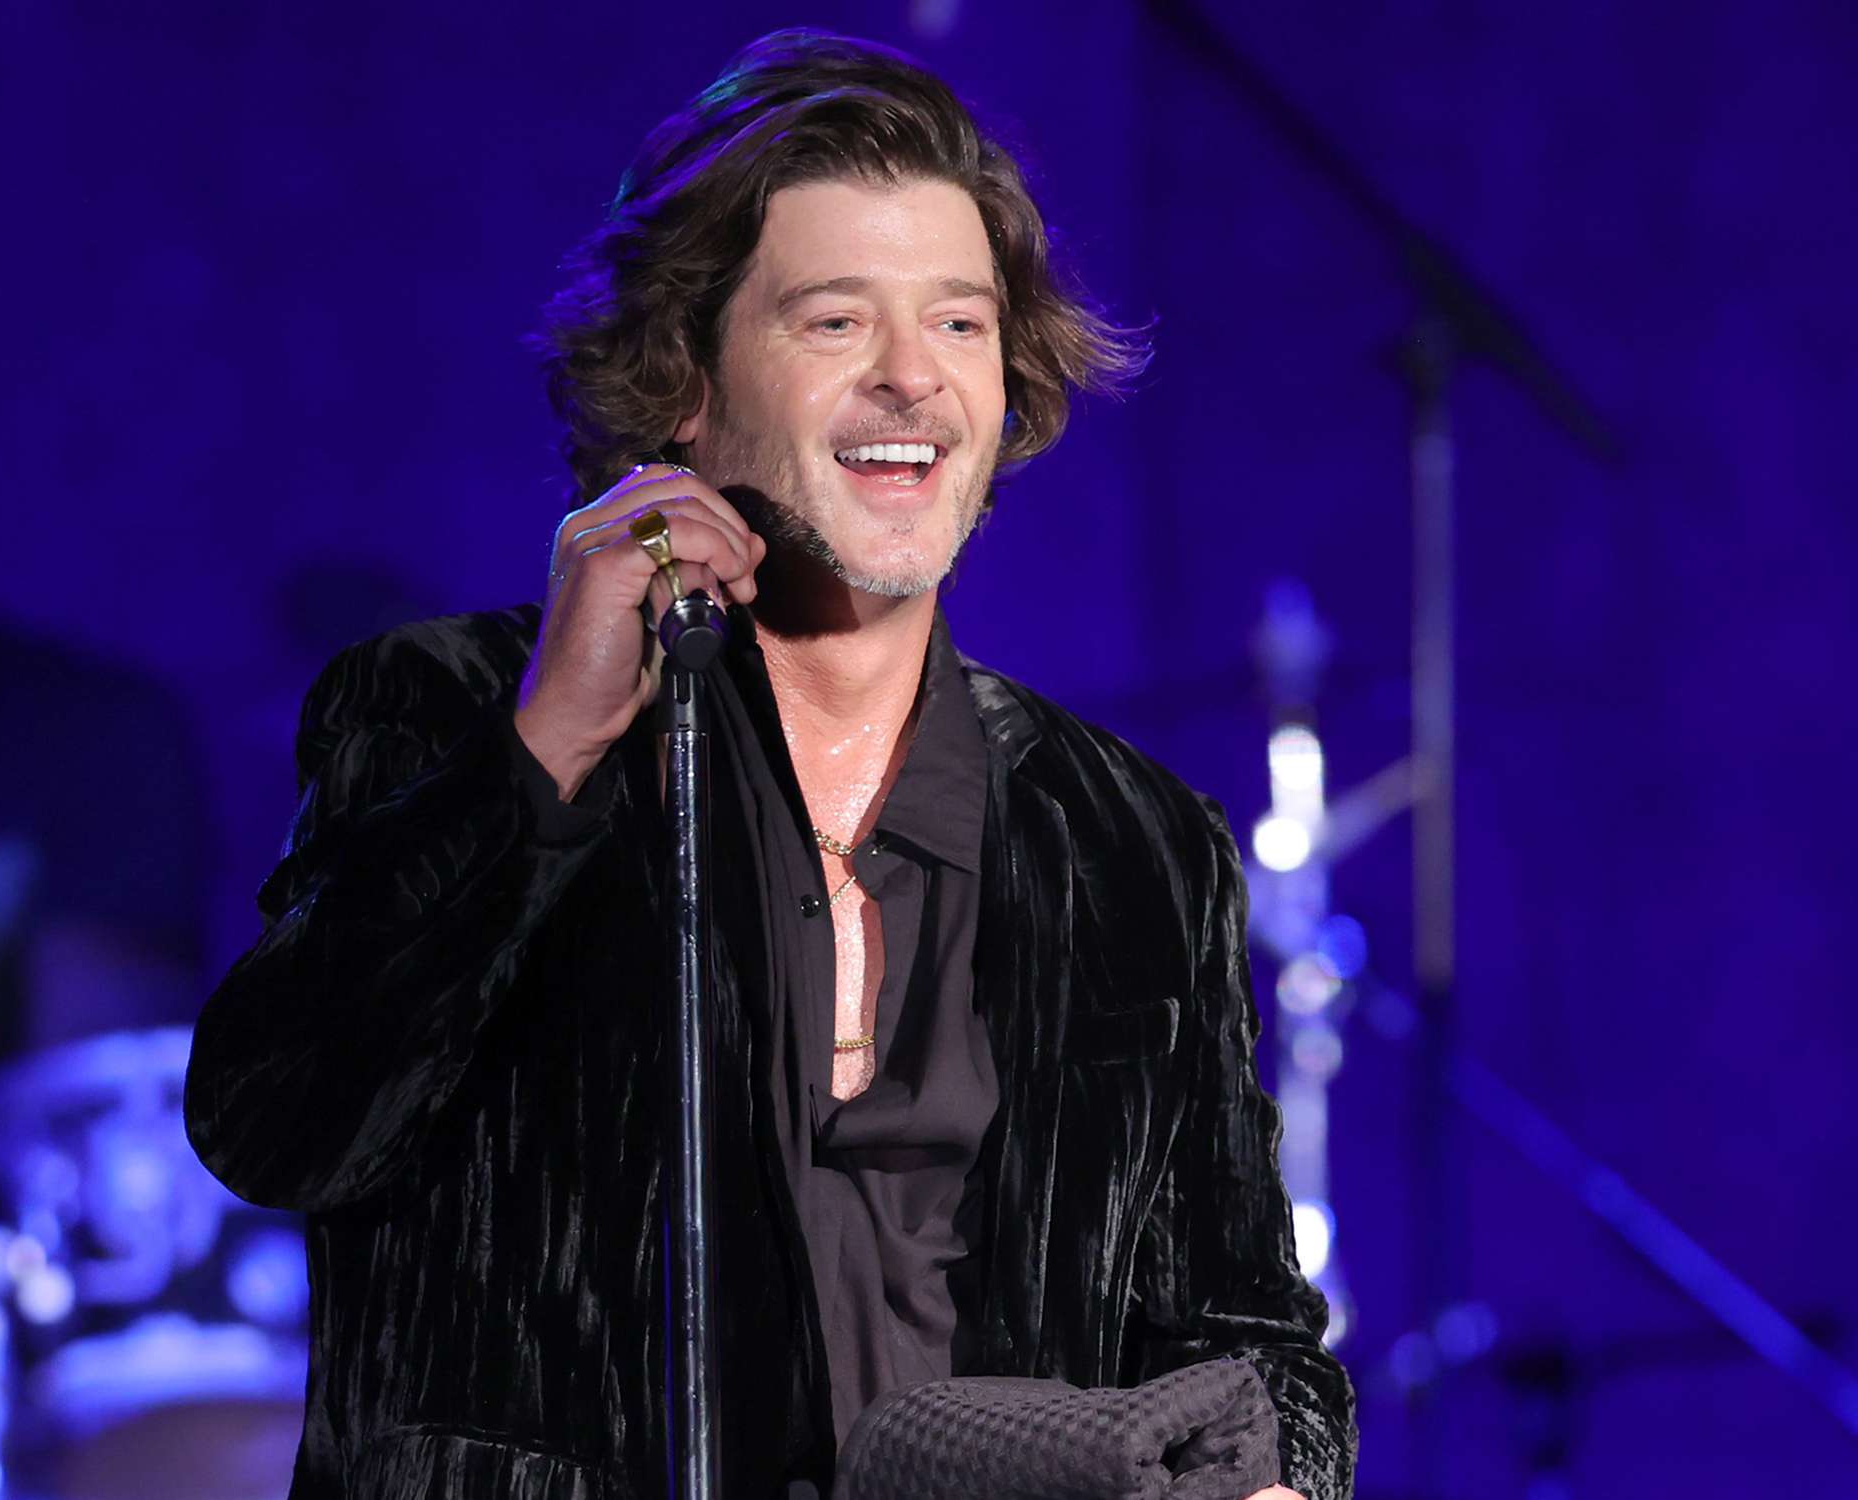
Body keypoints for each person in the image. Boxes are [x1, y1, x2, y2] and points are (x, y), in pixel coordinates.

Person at [186, 29, 1355, 1500]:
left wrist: (1272, 1479)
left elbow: (1256, 1343)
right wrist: (549, 742)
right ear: (682, 381)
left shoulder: (1133, 842)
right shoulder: (458, 712)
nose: (910, 382)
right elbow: (280, 1124)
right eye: (832, 323)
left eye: (959, 325)